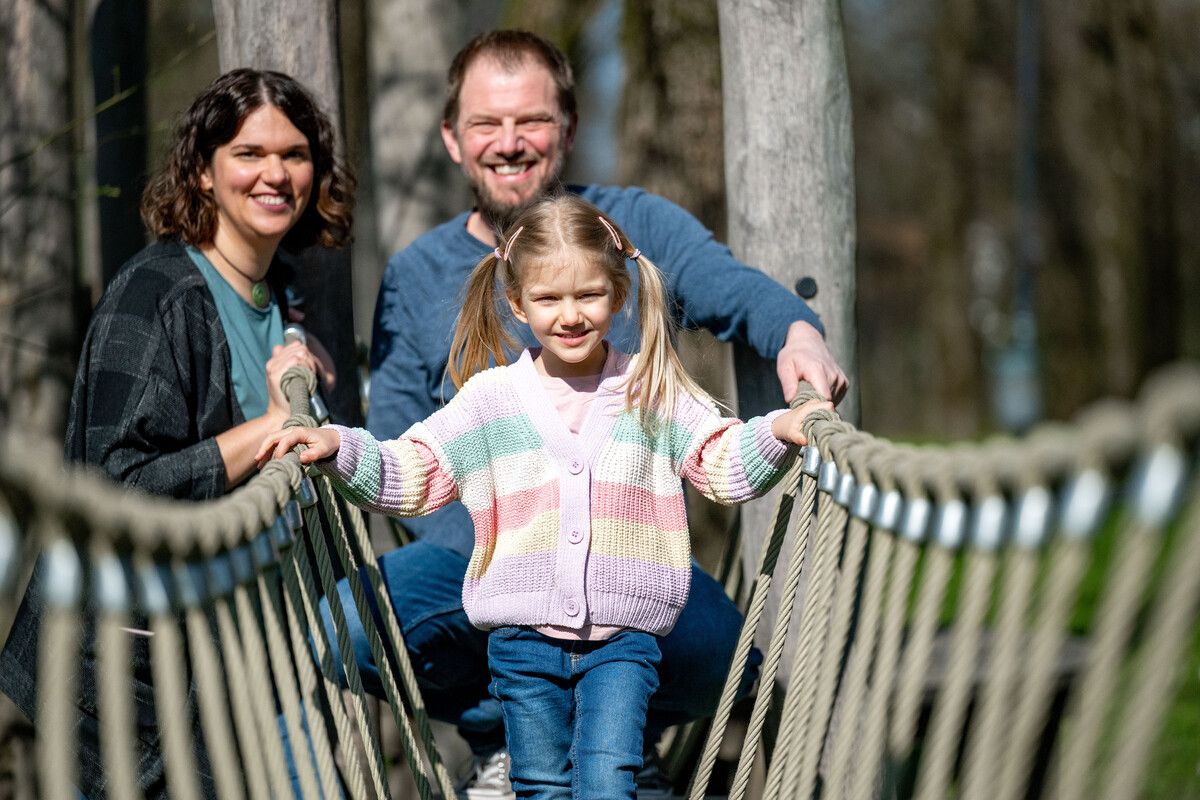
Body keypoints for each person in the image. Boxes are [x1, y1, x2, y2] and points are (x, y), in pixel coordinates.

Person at [359, 29, 848, 797]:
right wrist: (525, 558)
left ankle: (615, 745)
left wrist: (799, 334)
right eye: (487, 123)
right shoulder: (419, 272)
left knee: (730, 655)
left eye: (534, 121)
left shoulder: (631, 229)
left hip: (627, 549)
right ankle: (512, 742)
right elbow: (397, 440)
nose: (510, 143)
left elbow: (728, 286)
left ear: (570, 130)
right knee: (348, 625)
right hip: (484, 553)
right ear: (454, 138)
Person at [259, 194, 833, 798]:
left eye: (588, 295)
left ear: (619, 293)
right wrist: (340, 449)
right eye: (548, 299)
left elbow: (721, 462)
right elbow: (417, 468)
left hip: (623, 641)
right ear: (516, 303)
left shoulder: (652, 390)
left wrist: (777, 432)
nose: (570, 315)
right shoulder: (491, 400)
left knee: (609, 778)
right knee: (540, 784)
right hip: (521, 642)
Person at [0, 68, 353, 798]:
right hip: (126, 672)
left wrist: (296, 355)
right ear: (201, 171)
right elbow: (117, 482)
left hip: (223, 659)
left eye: (294, 154)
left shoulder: (278, 288)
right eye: (249, 154)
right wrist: (270, 428)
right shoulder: (159, 293)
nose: (276, 174)